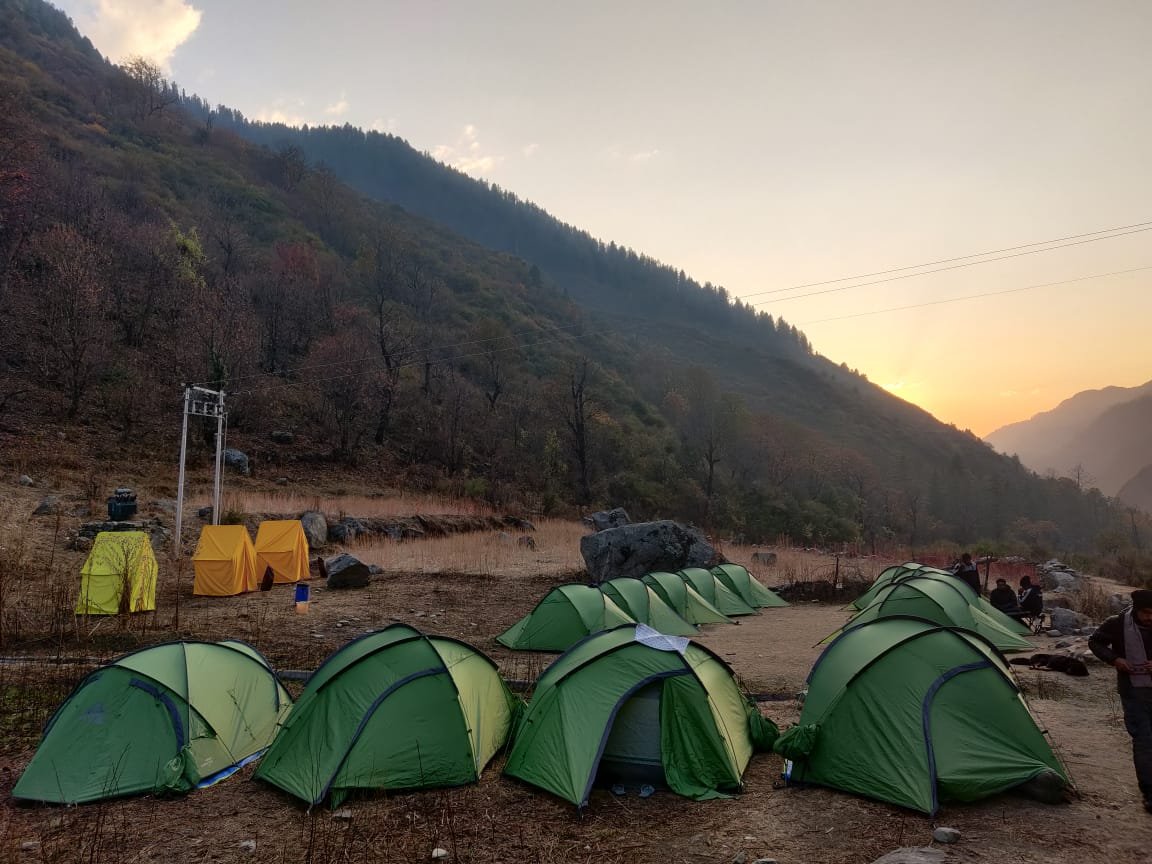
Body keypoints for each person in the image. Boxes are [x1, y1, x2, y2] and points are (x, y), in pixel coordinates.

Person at [1088, 589, 1152, 814]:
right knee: (1144, 739)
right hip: (1133, 691)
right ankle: (1149, 792)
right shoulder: (1116, 624)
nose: (1150, 617)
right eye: (1146, 613)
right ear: (1136, 610)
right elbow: (1095, 642)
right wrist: (1115, 659)